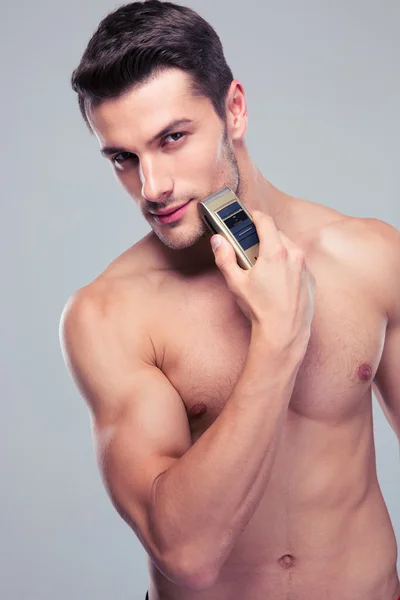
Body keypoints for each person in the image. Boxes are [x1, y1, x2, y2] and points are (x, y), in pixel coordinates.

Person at [59, 1, 400, 598]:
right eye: (124, 157)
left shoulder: (370, 256)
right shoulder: (108, 315)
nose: (153, 186)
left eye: (173, 138)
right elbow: (186, 554)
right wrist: (276, 340)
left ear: (234, 110)